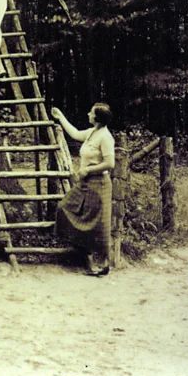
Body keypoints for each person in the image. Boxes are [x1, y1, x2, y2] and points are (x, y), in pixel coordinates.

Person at [51, 103, 115, 276]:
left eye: (91, 112)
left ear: (97, 117)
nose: (88, 113)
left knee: (99, 225)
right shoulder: (92, 132)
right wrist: (60, 116)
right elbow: (74, 133)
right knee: (64, 207)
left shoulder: (105, 137)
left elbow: (110, 163)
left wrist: (87, 169)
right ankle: (82, 253)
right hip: (85, 183)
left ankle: (102, 265)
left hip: (99, 183)